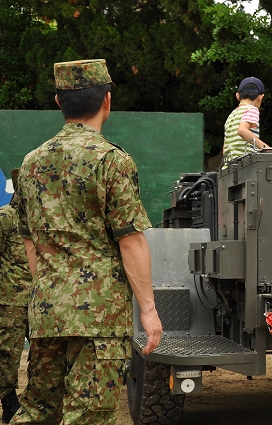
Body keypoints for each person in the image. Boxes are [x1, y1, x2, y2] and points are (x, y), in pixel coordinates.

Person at [10, 59, 162, 425]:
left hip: (46, 310)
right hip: (99, 319)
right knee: (88, 416)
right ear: (106, 101)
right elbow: (131, 241)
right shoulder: (112, 160)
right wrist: (149, 310)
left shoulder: (31, 163)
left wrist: (49, 290)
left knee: (38, 411)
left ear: (60, 102)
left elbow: (30, 244)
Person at [0, 170, 31, 424]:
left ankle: (36, 401)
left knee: (45, 355)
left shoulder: (43, 220)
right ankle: (8, 399)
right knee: (7, 355)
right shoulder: (5, 218)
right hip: (11, 301)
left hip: (43, 300)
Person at [222, 77, 269, 165]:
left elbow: (225, 147)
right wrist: (266, 148)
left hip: (229, 166)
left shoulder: (231, 115)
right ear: (260, 97)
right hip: (244, 165)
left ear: (237, 96)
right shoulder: (252, 110)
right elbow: (242, 130)